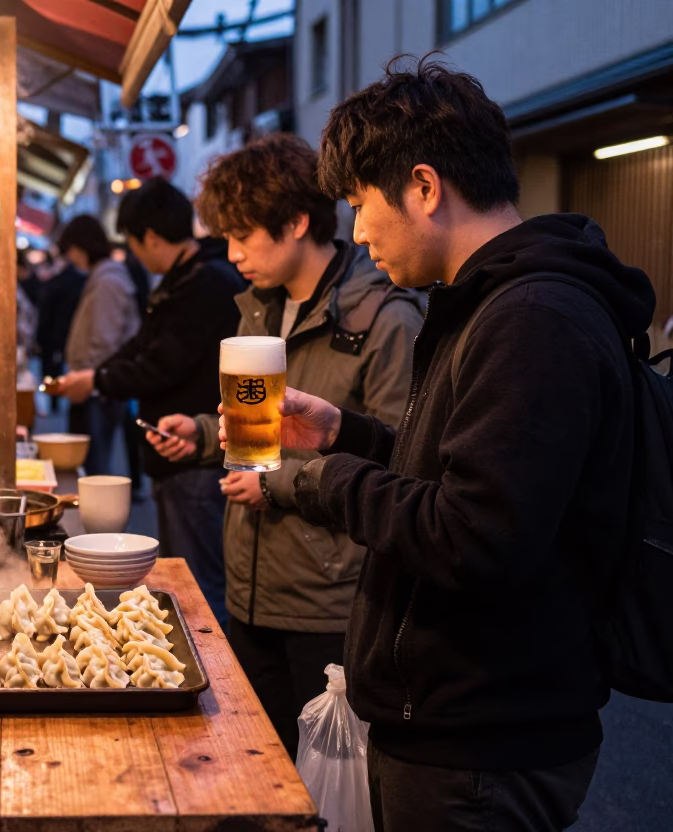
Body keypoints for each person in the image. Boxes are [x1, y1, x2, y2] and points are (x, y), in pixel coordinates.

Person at [222, 59, 656, 831]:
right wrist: (346, 433)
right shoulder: (488, 304)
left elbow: (475, 535)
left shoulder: (534, 318)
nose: (356, 231)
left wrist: (325, 477)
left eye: (361, 204)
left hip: (483, 742)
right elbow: (466, 476)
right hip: (458, 725)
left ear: (423, 187)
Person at [148, 134, 421, 758]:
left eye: (244, 235)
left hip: (331, 598)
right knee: (259, 760)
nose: (232, 252)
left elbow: (397, 454)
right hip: (249, 585)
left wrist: (271, 483)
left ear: (297, 222)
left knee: (330, 777)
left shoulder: (384, 316)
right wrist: (199, 434)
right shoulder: (259, 310)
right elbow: (258, 429)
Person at [59, 178, 247, 627]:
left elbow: (162, 363)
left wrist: (99, 379)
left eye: (133, 242)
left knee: (201, 585)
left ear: (152, 237)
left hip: (196, 457)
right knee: (188, 573)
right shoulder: (182, 279)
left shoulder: (205, 283)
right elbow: (142, 345)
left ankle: (213, 684)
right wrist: (97, 377)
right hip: (176, 450)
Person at [55, 214, 142, 475]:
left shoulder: (107, 280)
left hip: (96, 386)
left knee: (95, 462)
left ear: (81, 247)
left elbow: (105, 341)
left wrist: (88, 380)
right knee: (92, 458)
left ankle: (97, 515)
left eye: (71, 250)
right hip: (94, 382)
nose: (71, 258)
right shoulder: (102, 277)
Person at [34, 251, 87, 412]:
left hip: (56, 335)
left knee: (53, 369)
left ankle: (54, 400)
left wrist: (40, 338)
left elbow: (46, 313)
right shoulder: (80, 280)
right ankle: (60, 399)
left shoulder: (55, 282)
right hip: (71, 334)